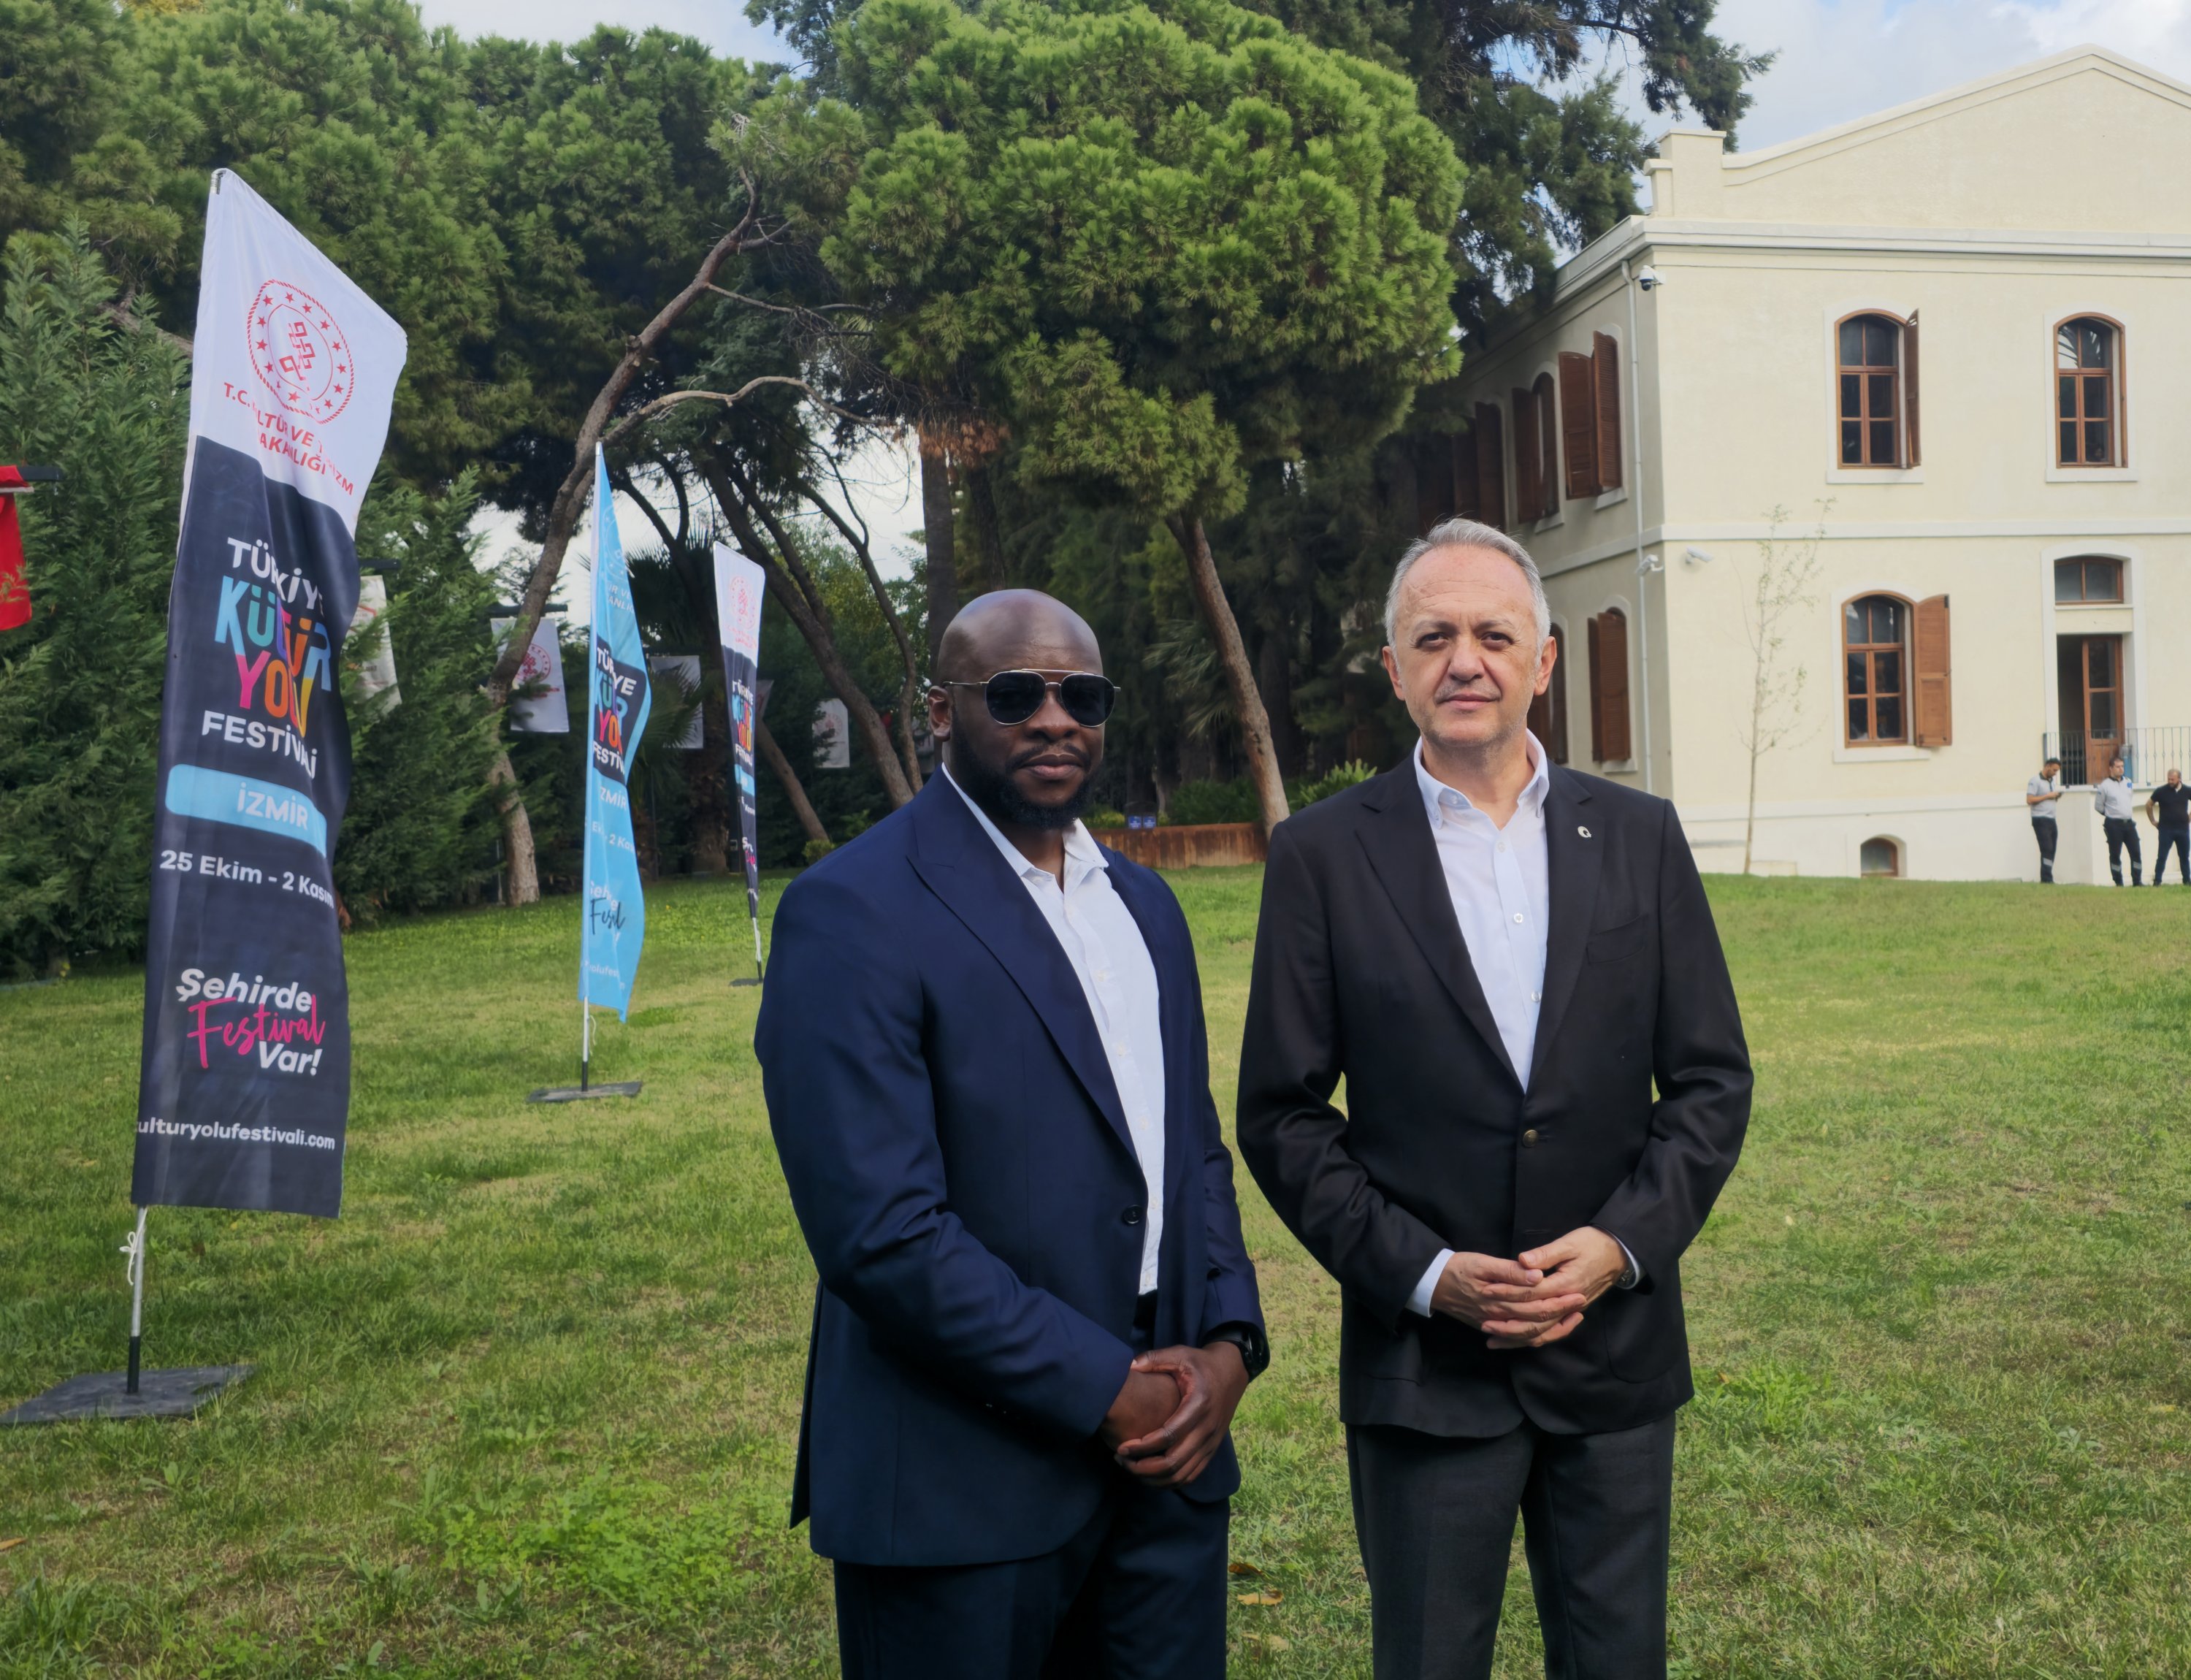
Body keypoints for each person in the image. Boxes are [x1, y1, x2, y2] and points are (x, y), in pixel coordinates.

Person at [1237, 519, 1752, 1680]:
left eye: (1492, 634)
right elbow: (1280, 1111)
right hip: (1426, 1373)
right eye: (1433, 637)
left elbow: (1712, 1080)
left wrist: (1622, 1246)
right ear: (1395, 670)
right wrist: (1427, 1276)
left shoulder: (1639, 837)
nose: (1464, 659)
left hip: (1611, 1355)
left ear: (1544, 660)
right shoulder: (1321, 855)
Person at [755, 589, 1266, 1680]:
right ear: (940, 711)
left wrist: (1230, 1343)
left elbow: (1191, 1155)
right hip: (958, 1485)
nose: (1053, 719)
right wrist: (1102, 1386)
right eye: (1013, 694)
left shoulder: (1147, 908)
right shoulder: (851, 909)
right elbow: (882, 1235)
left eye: (1081, 695)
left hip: (1168, 1468)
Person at [2096, 755, 2142, 886]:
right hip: (2114, 825)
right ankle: (2118, 881)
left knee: (2136, 852)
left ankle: (2137, 881)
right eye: (2118, 767)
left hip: (2129, 824)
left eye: (2122, 766)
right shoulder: (2105, 786)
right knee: (2115, 854)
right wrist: (2111, 814)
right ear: (2111, 768)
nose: (2121, 769)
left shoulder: (2128, 782)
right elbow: (2098, 806)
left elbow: (2129, 799)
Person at [2146, 767, 2190, 885]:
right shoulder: (2161, 791)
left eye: (2173, 780)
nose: (2170, 782)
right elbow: (2149, 804)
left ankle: (2187, 880)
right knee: (2162, 856)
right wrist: (2153, 821)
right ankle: (2157, 881)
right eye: (2169, 779)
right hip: (2166, 830)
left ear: (2179, 779)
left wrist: (2189, 818)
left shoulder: (2187, 790)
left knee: (2184, 856)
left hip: (2183, 829)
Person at [2026, 757, 2063, 883]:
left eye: (2057, 771)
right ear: (2047, 766)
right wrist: (2047, 796)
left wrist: (2055, 797)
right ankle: (2047, 879)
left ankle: (2047, 876)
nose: (2055, 773)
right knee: (2046, 848)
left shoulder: (2051, 781)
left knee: (2052, 848)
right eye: (2054, 770)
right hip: (2040, 819)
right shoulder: (2035, 781)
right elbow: (2030, 800)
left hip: (2052, 819)